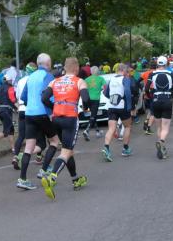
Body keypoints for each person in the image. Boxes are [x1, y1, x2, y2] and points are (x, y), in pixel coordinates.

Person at [39, 57, 90, 199]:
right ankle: (52, 177)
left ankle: (75, 179)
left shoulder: (54, 81)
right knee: (66, 152)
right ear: (76, 68)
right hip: (70, 118)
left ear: (65, 68)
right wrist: (86, 109)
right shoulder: (79, 81)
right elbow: (86, 99)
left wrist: (54, 107)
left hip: (56, 119)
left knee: (68, 150)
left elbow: (44, 98)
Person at [17, 53, 60, 190]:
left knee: (29, 147)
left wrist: (31, 105)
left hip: (29, 114)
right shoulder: (48, 76)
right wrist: (52, 110)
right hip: (42, 113)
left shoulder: (30, 77)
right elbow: (47, 97)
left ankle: (22, 179)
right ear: (48, 63)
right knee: (54, 141)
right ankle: (44, 170)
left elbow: (23, 97)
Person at [148, 56, 173, 160]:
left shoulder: (152, 74)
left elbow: (146, 88)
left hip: (156, 100)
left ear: (157, 64)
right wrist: (171, 95)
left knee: (159, 127)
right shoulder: (170, 73)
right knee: (165, 127)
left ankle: (162, 147)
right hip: (167, 100)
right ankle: (161, 142)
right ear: (166, 64)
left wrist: (151, 96)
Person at [101, 63, 134, 162]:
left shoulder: (111, 79)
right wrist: (129, 105)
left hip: (111, 106)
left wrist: (113, 98)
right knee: (127, 126)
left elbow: (105, 93)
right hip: (122, 105)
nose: (127, 72)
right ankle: (125, 149)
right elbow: (127, 91)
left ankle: (106, 148)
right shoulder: (125, 79)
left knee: (111, 128)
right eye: (126, 71)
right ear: (123, 70)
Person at [83, 65, 106, 140]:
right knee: (93, 115)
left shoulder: (86, 79)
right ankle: (86, 131)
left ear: (91, 72)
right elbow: (105, 88)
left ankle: (98, 131)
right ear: (98, 71)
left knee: (93, 115)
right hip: (96, 99)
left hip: (88, 99)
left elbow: (84, 90)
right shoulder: (101, 79)